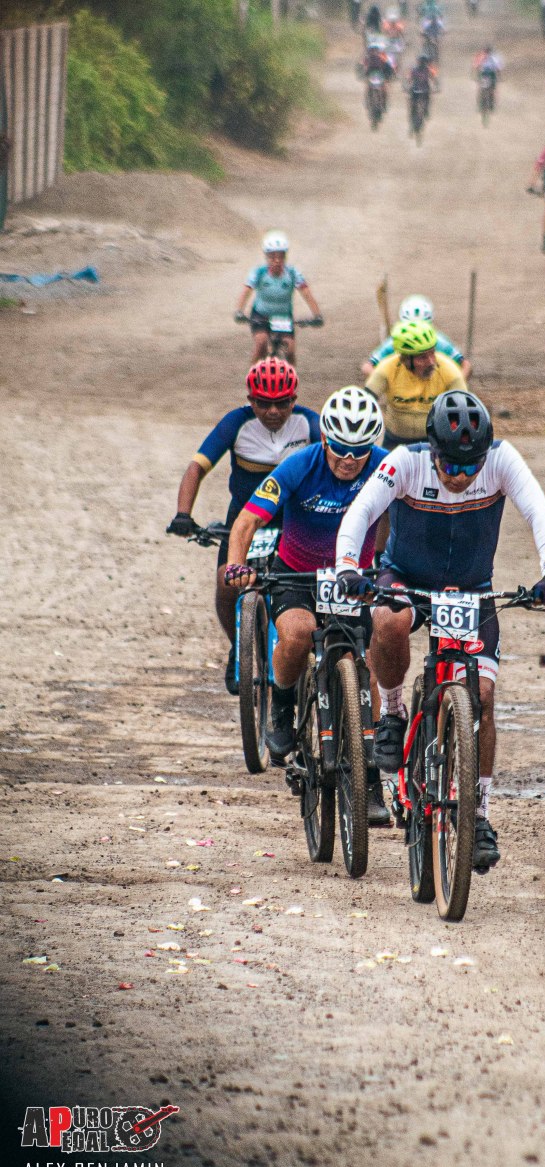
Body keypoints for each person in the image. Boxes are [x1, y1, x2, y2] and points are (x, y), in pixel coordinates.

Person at [335, 390, 545, 870]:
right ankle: (393, 713)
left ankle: (478, 814)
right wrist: (347, 567)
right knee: (388, 620)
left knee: (483, 697)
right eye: (450, 466)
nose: (460, 477)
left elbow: (538, 512)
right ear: (432, 451)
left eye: (470, 467)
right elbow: (361, 511)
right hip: (407, 579)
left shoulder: (502, 460)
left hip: (470, 589)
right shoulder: (405, 461)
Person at [223, 388, 391, 822]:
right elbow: (247, 519)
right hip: (297, 575)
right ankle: (281, 705)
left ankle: (371, 779)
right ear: (324, 438)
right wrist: (237, 564)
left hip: (352, 580)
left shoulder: (385, 466)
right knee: (297, 634)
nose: (349, 459)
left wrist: (392, 565)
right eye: (340, 448)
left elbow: (411, 516)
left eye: (360, 450)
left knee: (366, 667)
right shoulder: (299, 464)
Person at [166, 358, 319, 695]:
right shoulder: (236, 423)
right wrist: (183, 514)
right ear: (250, 400)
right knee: (226, 581)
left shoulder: (310, 424)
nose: (273, 411)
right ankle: (239, 646)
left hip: (293, 520)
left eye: (282, 403)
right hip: (245, 518)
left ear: (294, 399)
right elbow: (196, 467)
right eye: (263, 403)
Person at [364, 319, 466, 449]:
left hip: (435, 440)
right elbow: (365, 403)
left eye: (432, 353)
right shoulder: (387, 368)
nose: (431, 362)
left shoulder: (449, 370)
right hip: (395, 440)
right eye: (422, 357)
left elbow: (465, 411)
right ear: (405, 358)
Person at [234, 231, 323, 365]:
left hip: (283, 317)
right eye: (272, 256)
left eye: (281, 256)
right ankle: (253, 376)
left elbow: (306, 293)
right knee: (261, 344)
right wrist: (239, 311)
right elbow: (247, 290)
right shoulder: (259, 272)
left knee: (290, 350)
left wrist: (317, 315)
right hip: (261, 315)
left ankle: (291, 377)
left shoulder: (293, 273)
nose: (277, 260)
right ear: (266, 256)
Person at [361, 294, 472, 380]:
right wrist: (388, 384)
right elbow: (367, 367)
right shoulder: (394, 342)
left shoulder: (440, 342)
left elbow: (465, 365)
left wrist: (455, 387)